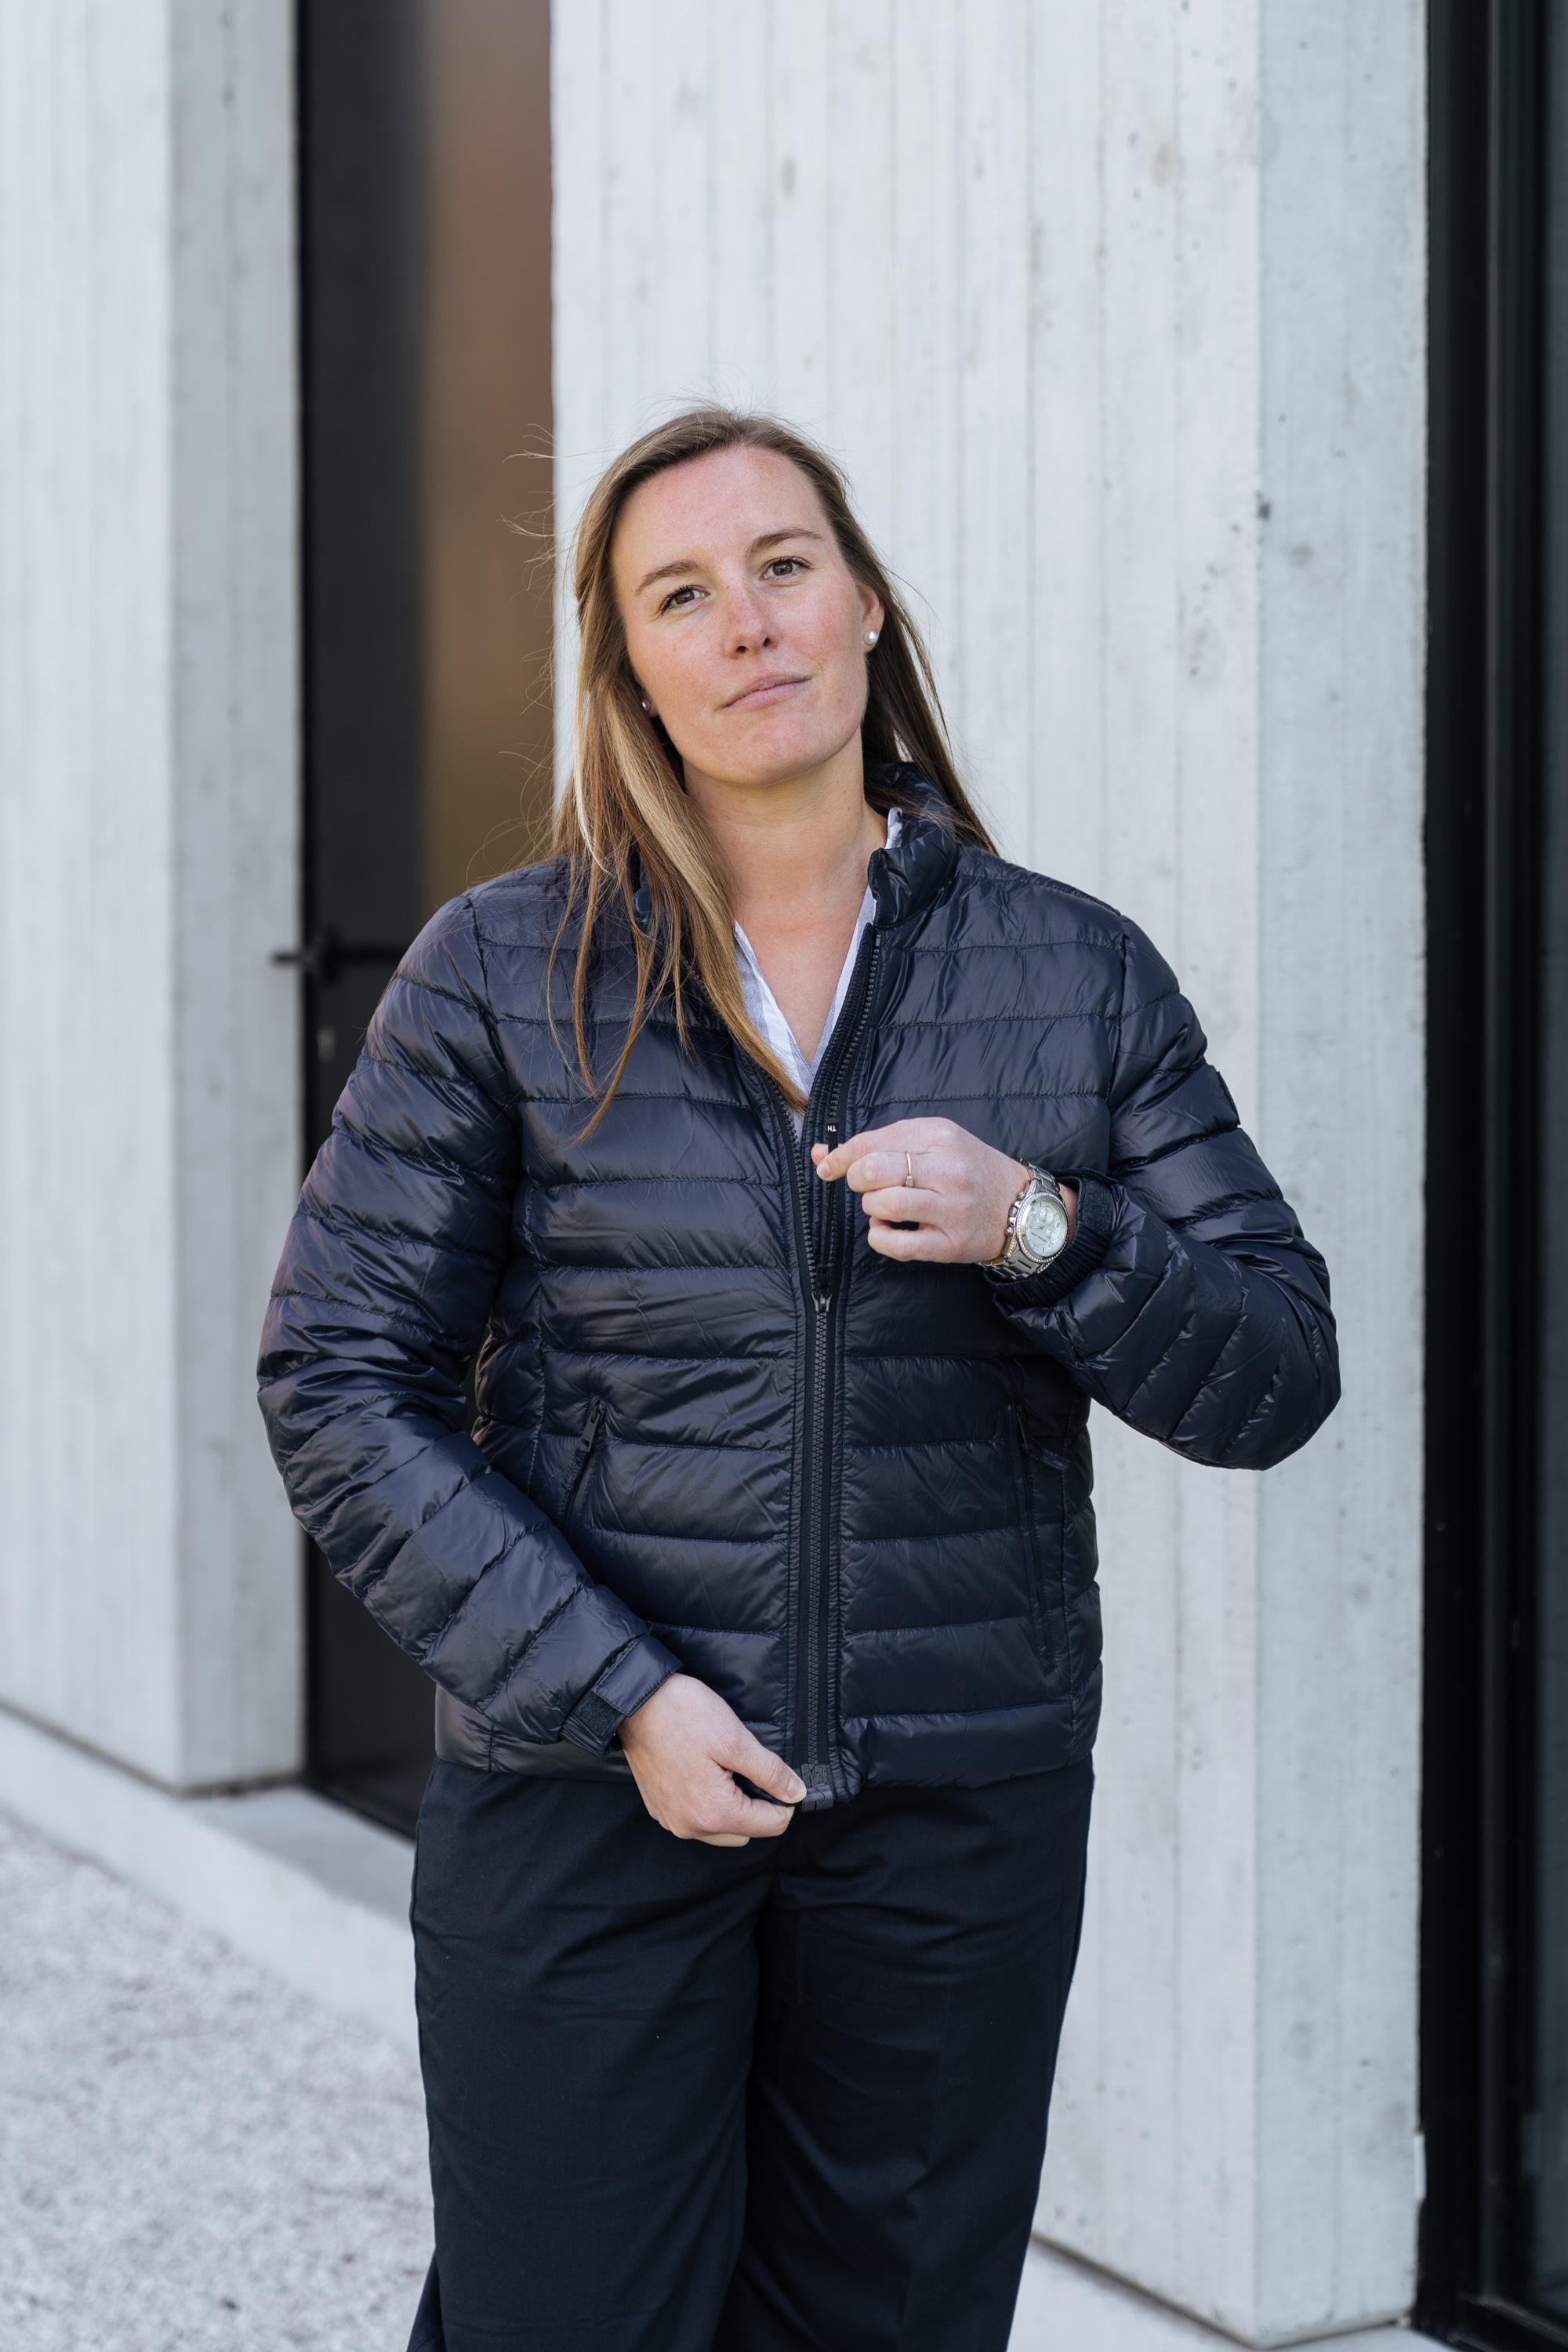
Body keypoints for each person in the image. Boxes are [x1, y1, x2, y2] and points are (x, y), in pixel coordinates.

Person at [256, 404, 1341, 2352]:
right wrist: (621, 1695)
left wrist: (1042, 1228)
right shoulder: (503, 974)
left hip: (951, 1811)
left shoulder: (1071, 974)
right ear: (629, 673)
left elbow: (1272, 1370)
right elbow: (340, 1381)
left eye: (781, 566)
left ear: (864, 608)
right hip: (593, 1798)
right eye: (681, 595)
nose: (746, 622)